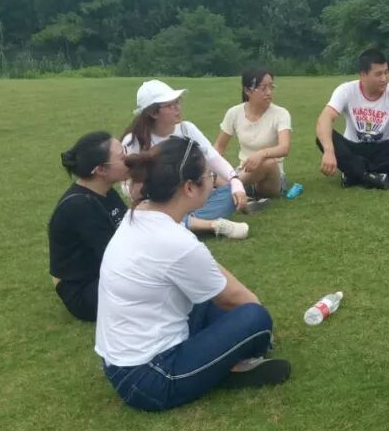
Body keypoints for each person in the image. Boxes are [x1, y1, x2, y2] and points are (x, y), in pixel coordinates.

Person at [96, 137, 290, 412]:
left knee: (209, 300)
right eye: (209, 176)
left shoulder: (139, 213)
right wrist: (259, 327)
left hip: (120, 363)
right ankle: (224, 368)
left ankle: (221, 364)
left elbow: (212, 280)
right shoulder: (174, 240)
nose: (213, 181)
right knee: (256, 319)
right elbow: (237, 299)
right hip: (152, 378)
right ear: (189, 187)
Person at [122, 79, 250, 238]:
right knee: (152, 209)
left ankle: (182, 223)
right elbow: (130, 187)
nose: (177, 108)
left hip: (189, 195)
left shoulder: (187, 129)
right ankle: (210, 225)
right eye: (170, 105)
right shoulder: (133, 141)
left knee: (228, 192)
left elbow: (212, 157)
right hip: (159, 202)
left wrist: (236, 182)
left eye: (177, 102)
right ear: (153, 113)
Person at [48, 131, 129, 322]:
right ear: (100, 170)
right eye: (122, 157)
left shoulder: (106, 192)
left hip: (106, 275)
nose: (129, 160)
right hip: (84, 292)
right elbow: (119, 257)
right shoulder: (80, 207)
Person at [316, 48, 389, 189]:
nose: (384, 78)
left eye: (386, 72)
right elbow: (325, 118)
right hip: (354, 148)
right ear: (363, 75)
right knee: (324, 138)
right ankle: (374, 175)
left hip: (383, 149)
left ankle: (355, 174)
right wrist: (329, 151)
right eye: (378, 74)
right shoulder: (346, 90)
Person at [214, 68, 292, 202]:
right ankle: (241, 194)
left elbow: (284, 148)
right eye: (263, 88)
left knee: (269, 162)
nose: (269, 92)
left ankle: (230, 189)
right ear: (247, 91)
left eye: (271, 87)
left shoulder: (281, 114)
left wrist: (261, 154)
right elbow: (219, 147)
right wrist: (209, 167)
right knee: (206, 171)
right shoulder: (234, 113)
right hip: (243, 173)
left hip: (270, 179)